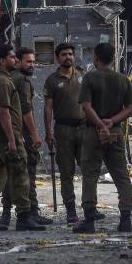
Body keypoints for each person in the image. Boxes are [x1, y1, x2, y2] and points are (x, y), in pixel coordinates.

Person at [0, 44, 46, 232]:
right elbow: (4, 114)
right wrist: (13, 140)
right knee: (20, 173)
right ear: (2, 61)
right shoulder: (3, 83)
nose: (16, 60)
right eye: (12, 57)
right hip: (7, 135)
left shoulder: (1, 80)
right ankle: (24, 216)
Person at [73, 42, 132, 234]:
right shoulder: (122, 79)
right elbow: (131, 108)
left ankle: (89, 220)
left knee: (90, 175)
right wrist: (111, 122)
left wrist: (100, 125)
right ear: (113, 57)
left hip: (93, 132)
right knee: (121, 176)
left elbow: (86, 106)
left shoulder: (90, 78)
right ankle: (125, 219)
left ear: (96, 57)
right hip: (115, 131)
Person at [44, 43, 104, 224]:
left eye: (70, 54)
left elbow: (91, 103)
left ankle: (90, 208)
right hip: (63, 130)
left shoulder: (83, 76)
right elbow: (48, 108)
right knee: (66, 172)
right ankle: (71, 211)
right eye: (63, 54)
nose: (68, 57)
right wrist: (48, 133)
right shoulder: (52, 80)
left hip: (84, 128)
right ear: (57, 58)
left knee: (89, 170)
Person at [0, 47, 52, 228]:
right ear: (18, 62)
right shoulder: (20, 80)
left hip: (12, 133)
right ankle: (28, 213)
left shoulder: (8, 79)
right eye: (28, 61)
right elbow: (25, 111)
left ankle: (13, 214)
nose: (32, 65)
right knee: (27, 174)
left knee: (12, 175)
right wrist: (36, 134)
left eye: (33, 61)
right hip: (22, 135)